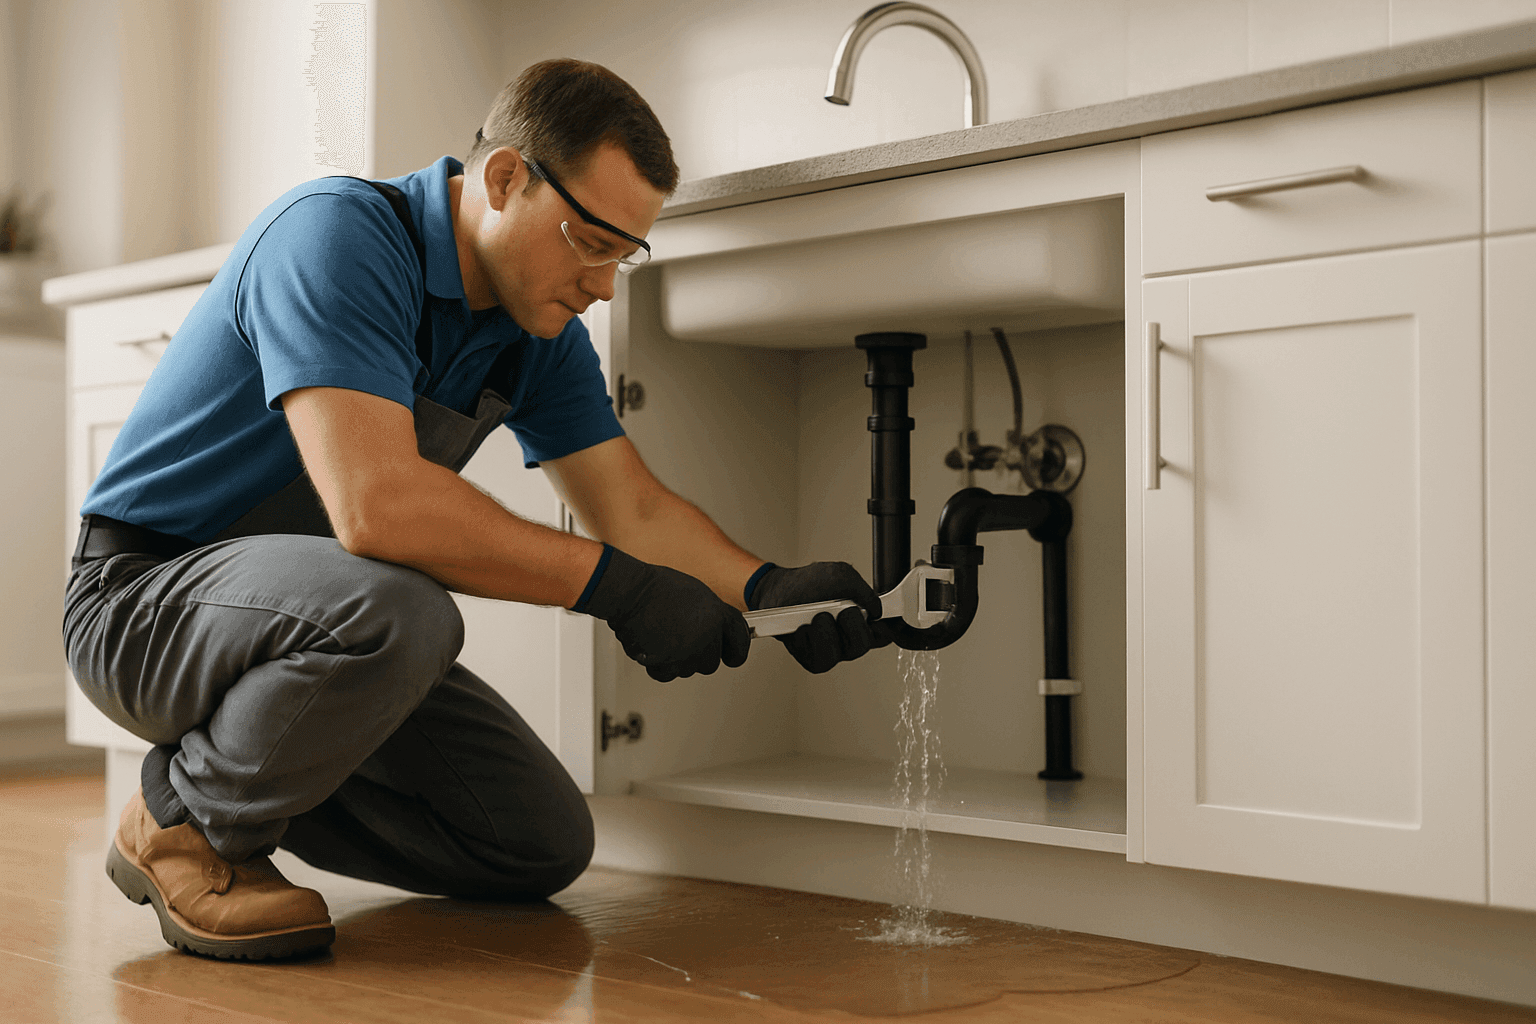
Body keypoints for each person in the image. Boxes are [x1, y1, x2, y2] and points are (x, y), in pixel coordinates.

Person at [62, 58, 888, 961]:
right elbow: (378, 510)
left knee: (537, 843)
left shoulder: (537, 334)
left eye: (626, 252)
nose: (606, 284)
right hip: (144, 602)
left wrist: (764, 586)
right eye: (592, 240)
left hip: (315, 630)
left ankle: (248, 764)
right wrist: (622, 592)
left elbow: (634, 508)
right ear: (505, 179)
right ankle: (185, 823)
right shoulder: (338, 236)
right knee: (407, 608)